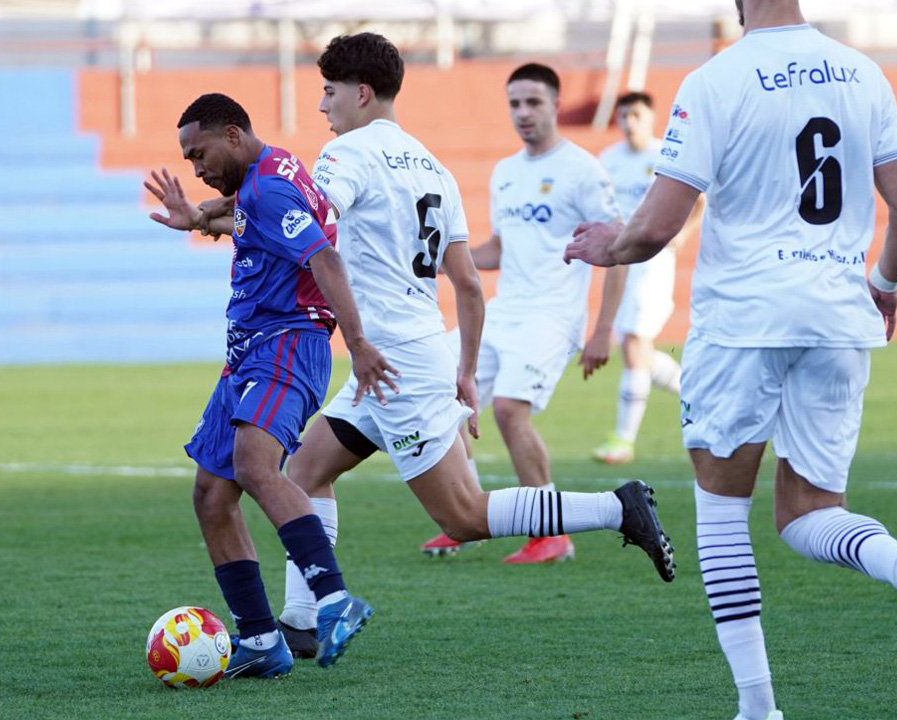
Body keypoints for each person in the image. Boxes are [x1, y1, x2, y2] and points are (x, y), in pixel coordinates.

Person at [563, 1, 897, 717]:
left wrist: (609, 246)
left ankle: (759, 708)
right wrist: (884, 288)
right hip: (838, 318)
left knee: (721, 512)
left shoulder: (716, 80)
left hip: (743, 322)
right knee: (809, 513)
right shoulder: (864, 72)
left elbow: (656, 227)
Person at [269, 34, 675, 659]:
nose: (322, 106)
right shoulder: (432, 165)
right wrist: (462, 368)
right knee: (305, 471)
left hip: (394, 362)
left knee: (461, 516)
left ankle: (615, 509)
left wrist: (224, 214)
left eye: (327, 92)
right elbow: (467, 285)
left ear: (361, 92)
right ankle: (300, 620)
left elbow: (310, 227)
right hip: (412, 355)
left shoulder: (344, 154)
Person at [144, 92, 384, 676]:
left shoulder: (271, 186)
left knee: (255, 466)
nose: (196, 169)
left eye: (198, 154)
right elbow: (249, 220)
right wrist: (200, 219)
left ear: (232, 135)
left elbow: (324, 260)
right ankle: (258, 641)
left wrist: (357, 345)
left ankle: (333, 599)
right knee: (211, 495)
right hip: (247, 354)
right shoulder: (266, 178)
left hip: (286, 345)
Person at [421, 63, 633, 564]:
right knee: (436, 391)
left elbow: (618, 248)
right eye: (514, 103)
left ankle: (552, 532)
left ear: (555, 105)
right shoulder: (506, 172)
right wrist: (438, 261)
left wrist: (603, 330)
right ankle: (466, 517)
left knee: (510, 409)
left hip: (552, 315)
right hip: (504, 310)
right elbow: (500, 247)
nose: (523, 113)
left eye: (533, 102)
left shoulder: (583, 169)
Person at [590, 91, 704, 466]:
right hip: (620, 262)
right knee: (634, 349)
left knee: (637, 341)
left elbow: (699, 200)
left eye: (636, 115)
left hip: (653, 261)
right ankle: (703, 395)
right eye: (623, 116)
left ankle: (623, 440)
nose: (629, 122)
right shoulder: (608, 160)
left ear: (651, 118)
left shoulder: (663, 155)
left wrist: (681, 236)